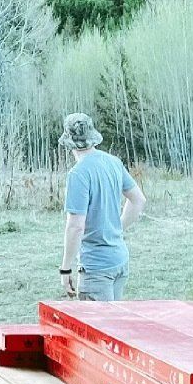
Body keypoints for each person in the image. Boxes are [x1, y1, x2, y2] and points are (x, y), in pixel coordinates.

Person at [57, 112, 144, 301]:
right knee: (114, 326)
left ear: (69, 142)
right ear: (92, 137)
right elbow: (138, 200)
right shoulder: (113, 162)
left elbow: (75, 226)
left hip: (96, 269)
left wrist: (65, 269)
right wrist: (117, 229)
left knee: (98, 329)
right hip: (120, 260)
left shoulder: (78, 174)